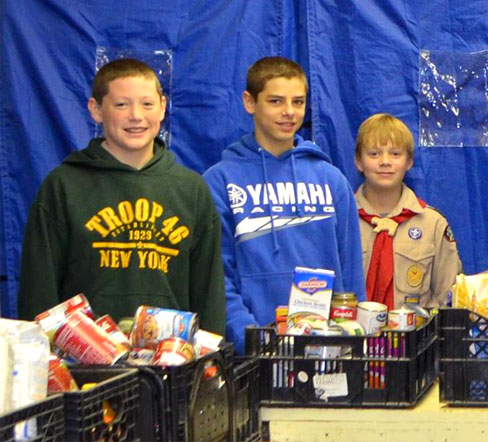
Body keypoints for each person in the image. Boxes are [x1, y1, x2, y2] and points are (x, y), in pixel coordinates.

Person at [17, 58, 225, 335]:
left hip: (172, 362)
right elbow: (38, 289)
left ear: (163, 108)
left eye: (147, 104)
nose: (136, 115)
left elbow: (208, 291)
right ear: (96, 110)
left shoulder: (191, 189)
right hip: (84, 365)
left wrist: (209, 363)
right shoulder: (63, 186)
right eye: (121, 104)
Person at [204, 56, 365, 354]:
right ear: (249, 102)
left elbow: (351, 275)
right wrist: (249, 338)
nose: (289, 112)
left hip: (326, 349)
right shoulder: (219, 181)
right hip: (251, 352)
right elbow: (216, 276)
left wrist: (349, 340)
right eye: (276, 101)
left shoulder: (332, 180)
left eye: (298, 102)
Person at [354, 113, 462, 309]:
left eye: (395, 154)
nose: (385, 161)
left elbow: (449, 299)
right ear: (358, 161)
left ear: (409, 162)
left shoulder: (432, 224)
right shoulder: (341, 221)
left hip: (417, 338)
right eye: (374, 154)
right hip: (351, 337)